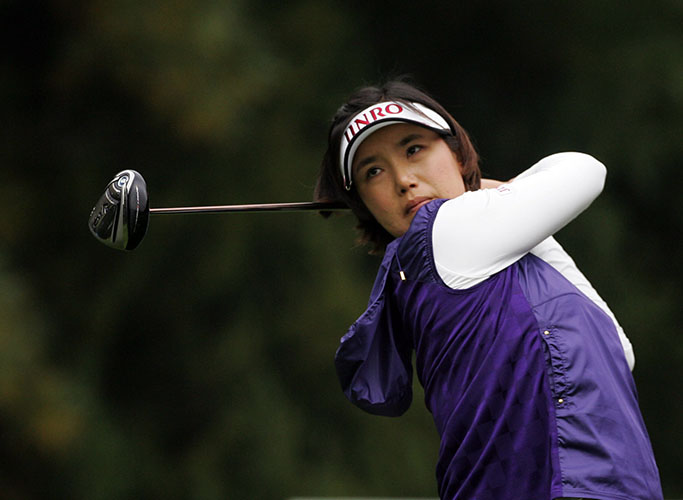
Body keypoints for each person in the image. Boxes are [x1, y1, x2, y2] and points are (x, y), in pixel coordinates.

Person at [315, 80, 663, 500]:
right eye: (373, 172)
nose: (403, 180)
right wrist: (484, 187)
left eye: (414, 149)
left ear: (457, 152)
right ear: (364, 204)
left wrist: (488, 193)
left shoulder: (474, 250)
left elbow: (615, 351)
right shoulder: (442, 233)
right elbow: (585, 170)